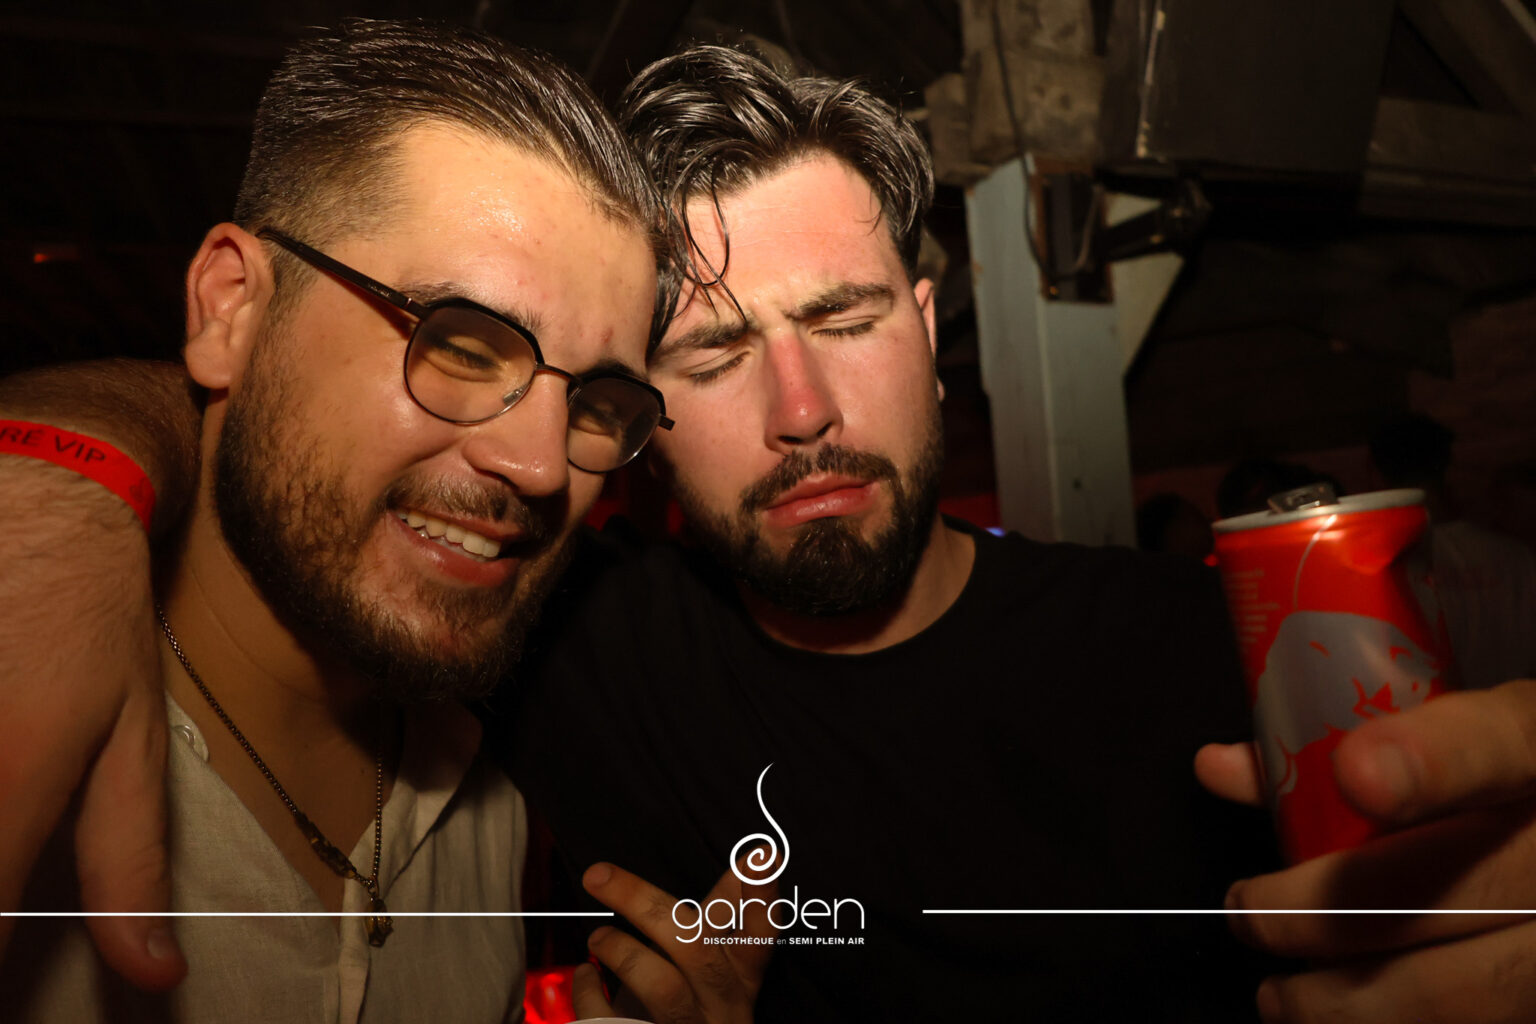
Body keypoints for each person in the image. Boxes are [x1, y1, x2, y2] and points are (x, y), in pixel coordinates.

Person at [8, 40, 1536, 1024]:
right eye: (716, 352)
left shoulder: (1202, 652)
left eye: (845, 319)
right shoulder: (556, 639)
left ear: (928, 326)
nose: (802, 409)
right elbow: (273, 419)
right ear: (646, 414)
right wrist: (60, 486)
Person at [0, 21, 761, 1023]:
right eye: (464, 345)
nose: (541, 467)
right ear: (231, 309)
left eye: (594, 403)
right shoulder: (34, 715)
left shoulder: (486, 794)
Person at [1368, 413, 1536, 690]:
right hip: (1515, 709)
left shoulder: (1385, 567)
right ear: (1446, 469)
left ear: (1376, 476)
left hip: (1439, 713)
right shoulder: (1516, 556)